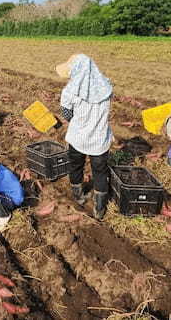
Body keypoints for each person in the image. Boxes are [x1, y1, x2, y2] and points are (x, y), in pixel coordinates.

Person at [56, 54, 112, 220]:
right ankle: (100, 209)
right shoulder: (107, 87)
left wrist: (81, 119)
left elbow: (66, 115)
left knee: (76, 167)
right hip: (99, 140)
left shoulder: (70, 91)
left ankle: (79, 196)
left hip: (78, 138)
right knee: (100, 173)